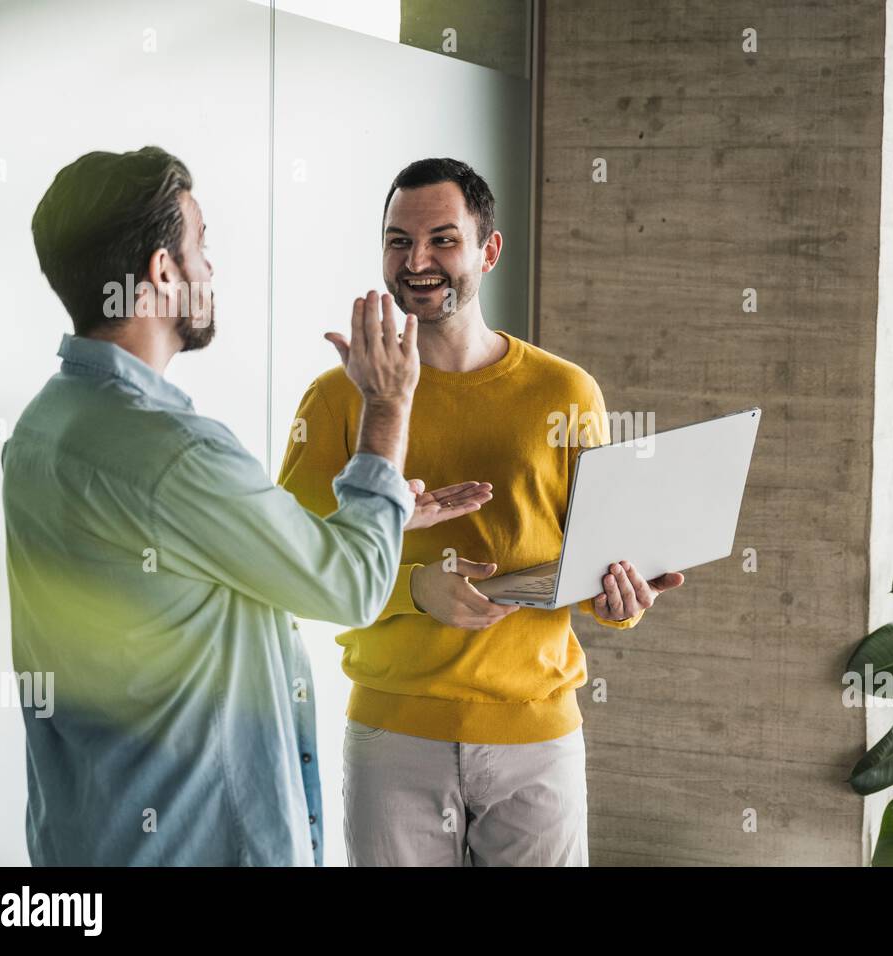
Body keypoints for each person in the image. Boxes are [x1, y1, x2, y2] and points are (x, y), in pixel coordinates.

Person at [4, 146, 489, 865]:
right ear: (163, 273)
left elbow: (184, 573)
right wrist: (387, 406)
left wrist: (378, 516)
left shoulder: (41, 428)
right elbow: (350, 585)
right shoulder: (175, 452)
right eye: (201, 247)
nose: (212, 270)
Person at [278, 157, 685, 866]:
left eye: (443, 239)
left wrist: (623, 600)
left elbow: (600, 568)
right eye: (398, 241)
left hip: (536, 736)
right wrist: (414, 590)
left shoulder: (566, 393)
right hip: (393, 735)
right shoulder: (338, 399)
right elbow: (293, 568)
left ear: (488, 251)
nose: (418, 261)